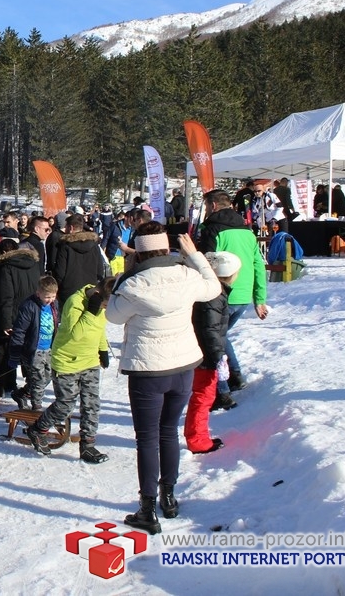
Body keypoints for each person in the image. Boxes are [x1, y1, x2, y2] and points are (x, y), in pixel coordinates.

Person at [105, 224, 221, 534]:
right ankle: (168, 497)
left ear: (138, 251)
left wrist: (121, 278)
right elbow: (213, 287)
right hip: (183, 365)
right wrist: (195, 255)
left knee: (147, 438)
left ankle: (147, 507)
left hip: (147, 370)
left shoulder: (134, 285)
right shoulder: (187, 275)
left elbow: (113, 316)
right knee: (168, 432)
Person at [25, 278, 113, 464]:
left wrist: (103, 348)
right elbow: (75, 335)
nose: (105, 308)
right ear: (99, 297)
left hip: (89, 360)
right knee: (66, 404)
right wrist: (90, 311)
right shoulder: (76, 301)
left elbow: (99, 329)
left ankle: (87, 446)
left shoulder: (101, 304)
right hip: (67, 360)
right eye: (105, 304)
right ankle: (38, 429)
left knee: (92, 404)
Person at [196, 190, 269, 408]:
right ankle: (235, 376)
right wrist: (259, 297)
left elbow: (205, 263)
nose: (206, 211)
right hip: (243, 293)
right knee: (221, 335)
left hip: (221, 293)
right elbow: (258, 263)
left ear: (214, 206)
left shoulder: (213, 230)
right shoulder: (247, 231)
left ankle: (223, 390)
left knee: (212, 341)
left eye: (207, 207)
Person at [185, 251, 241, 455]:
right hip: (204, 356)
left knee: (202, 396)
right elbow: (210, 330)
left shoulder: (214, 292)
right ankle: (198, 440)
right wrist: (217, 357)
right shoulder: (214, 296)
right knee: (203, 397)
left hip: (201, 352)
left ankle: (197, 436)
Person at [0, 239, 40, 398]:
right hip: (30, 314)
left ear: (2, 253)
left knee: (3, 350)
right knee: (27, 351)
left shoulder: (6, 267)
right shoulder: (33, 264)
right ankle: (27, 385)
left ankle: (0, 385)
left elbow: (5, 296)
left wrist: (5, 322)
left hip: (10, 314)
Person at [7, 275, 59, 413]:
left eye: (53, 296)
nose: (50, 300)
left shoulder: (54, 305)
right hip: (33, 350)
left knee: (47, 377)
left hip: (48, 349)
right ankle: (37, 408)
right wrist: (15, 354)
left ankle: (21, 394)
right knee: (38, 380)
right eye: (47, 297)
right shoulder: (29, 306)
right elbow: (19, 331)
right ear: (38, 293)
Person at [53, 213, 106, 310]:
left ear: (71, 228)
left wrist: (58, 288)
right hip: (89, 290)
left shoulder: (65, 246)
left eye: (66, 227)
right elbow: (100, 270)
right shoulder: (94, 246)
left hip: (69, 292)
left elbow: (60, 272)